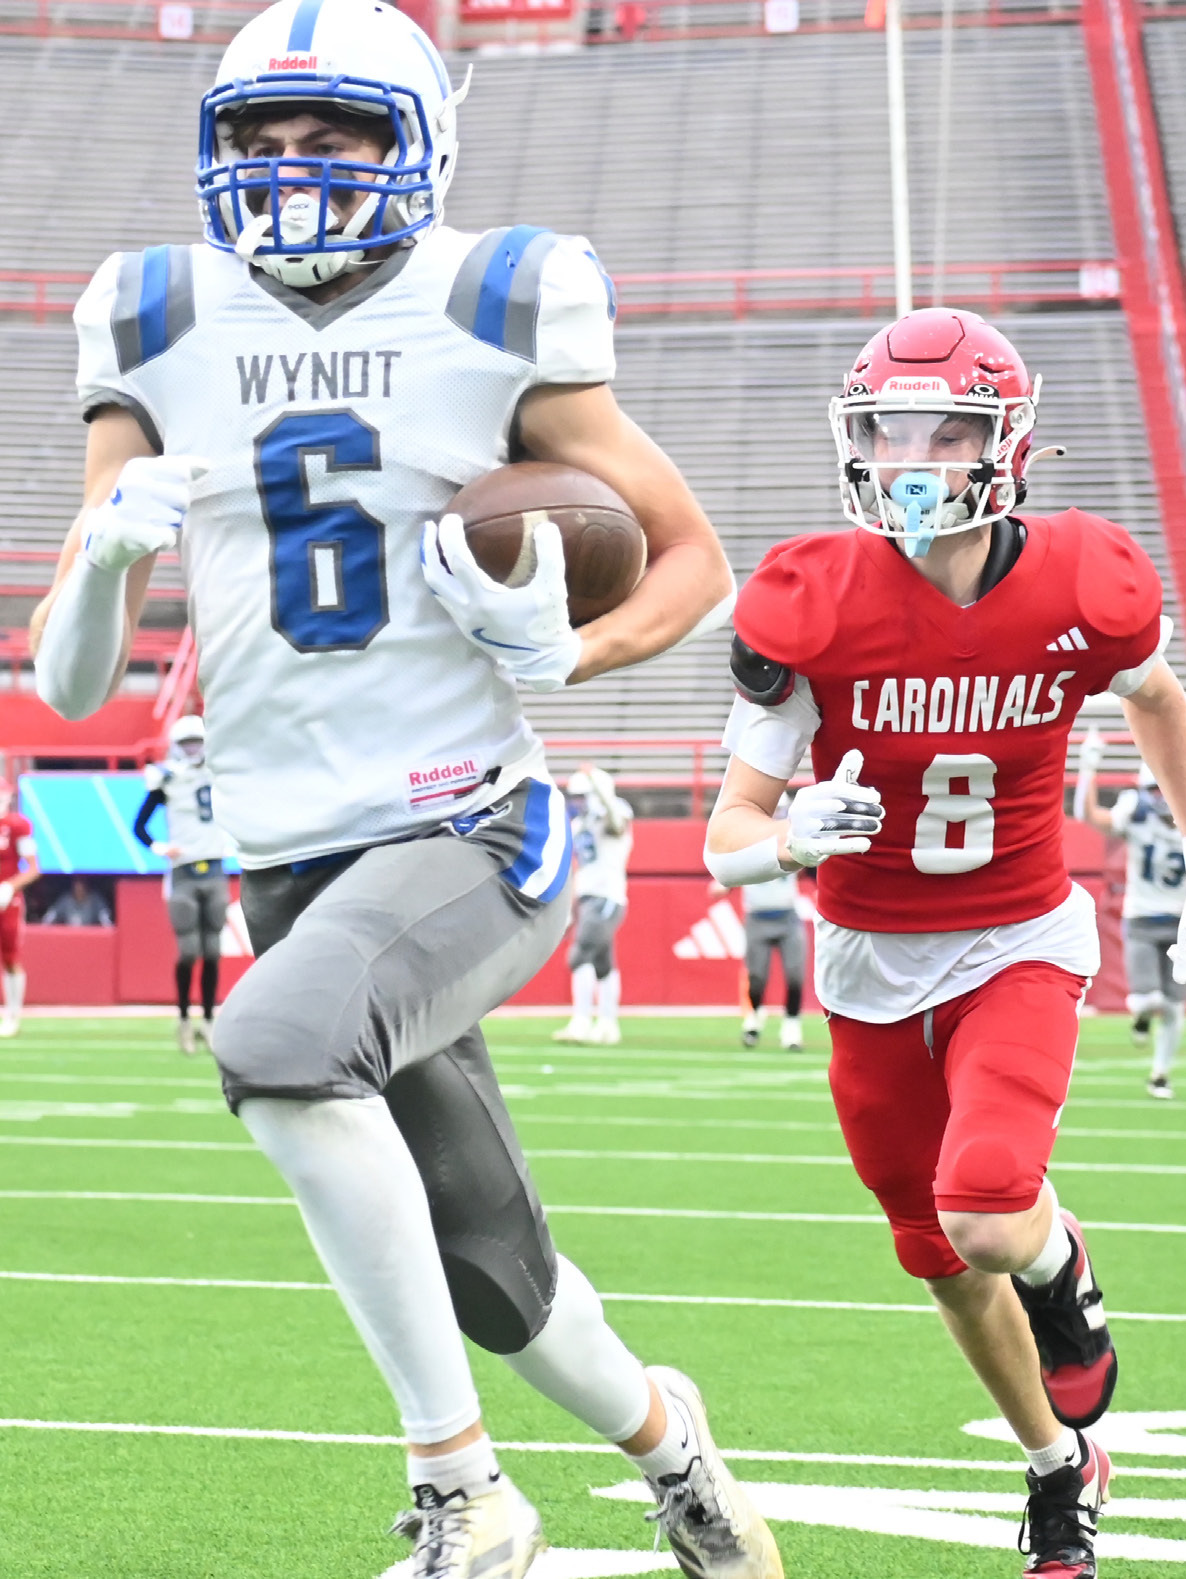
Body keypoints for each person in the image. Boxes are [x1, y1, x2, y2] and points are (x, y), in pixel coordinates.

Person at [29, 4, 779, 1577]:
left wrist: (568, 652)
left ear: (418, 146)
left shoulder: (495, 300)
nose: (292, 167)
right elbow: (74, 685)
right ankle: (678, 1447)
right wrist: (104, 559)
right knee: (496, 1273)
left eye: (336, 135)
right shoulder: (158, 314)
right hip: (287, 854)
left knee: (280, 1048)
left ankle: (466, 1493)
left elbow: (692, 556)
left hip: (467, 824)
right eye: (262, 137)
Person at [704, 307, 1186, 1579]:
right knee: (938, 1255)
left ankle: (1063, 1277)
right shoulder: (810, 598)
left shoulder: (1082, 579)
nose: (908, 458)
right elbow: (731, 826)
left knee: (989, 1209)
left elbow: (1158, 700)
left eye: (943, 430)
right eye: (886, 430)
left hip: (1016, 936)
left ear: (1003, 442)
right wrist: (786, 837)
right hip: (866, 957)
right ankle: (1059, 1468)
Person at [1074, 732, 1186, 1097]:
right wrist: (1087, 768)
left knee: (1175, 1006)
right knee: (1147, 1001)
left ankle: (1160, 1074)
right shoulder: (1135, 814)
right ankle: (1141, 1017)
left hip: (1183, 923)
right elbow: (1088, 815)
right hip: (1142, 918)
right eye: (1155, 789)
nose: (1162, 798)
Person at [132, 714, 233, 1055]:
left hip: (215, 867)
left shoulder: (220, 773)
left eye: (196, 742)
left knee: (213, 952)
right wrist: (159, 847)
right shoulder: (167, 778)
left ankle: (209, 1020)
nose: (192, 750)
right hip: (184, 872)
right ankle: (184, 1019)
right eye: (186, 743)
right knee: (189, 952)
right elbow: (139, 826)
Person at [553, 764, 633, 1046]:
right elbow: (579, 868)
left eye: (582, 796)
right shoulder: (579, 824)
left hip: (607, 896)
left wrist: (599, 788)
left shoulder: (612, 814)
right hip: (588, 896)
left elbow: (616, 823)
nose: (577, 802)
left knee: (579, 956)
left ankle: (582, 1021)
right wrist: (570, 910)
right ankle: (608, 1025)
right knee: (602, 963)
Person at [737, 795, 806, 1050]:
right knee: (756, 976)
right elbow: (732, 866)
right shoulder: (747, 837)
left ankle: (791, 1027)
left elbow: (812, 865)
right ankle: (755, 1017)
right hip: (757, 916)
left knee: (795, 974)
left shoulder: (794, 836)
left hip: (787, 915)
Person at [0, 779, 40, 1038]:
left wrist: (9, 887)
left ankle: (13, 1014)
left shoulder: (17, 826)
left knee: (10, 957)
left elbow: (33, 868)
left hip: (7, 899)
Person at [42, 876, 113, 927]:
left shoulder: (95, 899)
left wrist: (108, 928)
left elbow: (104, 916)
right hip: (69, 935)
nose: (79, 890)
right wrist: (44, 926)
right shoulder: (66, 899)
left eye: (81, 887)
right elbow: (53, 913)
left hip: (89, 935)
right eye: (76, 887)